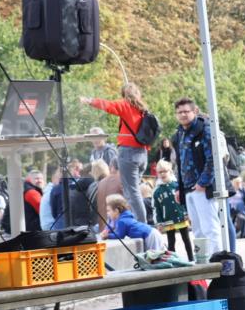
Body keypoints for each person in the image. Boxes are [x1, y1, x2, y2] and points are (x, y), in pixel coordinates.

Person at [81, 83, 150, 223]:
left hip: (129, 153)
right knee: (132, 191)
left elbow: (108, 105)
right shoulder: (143, 109)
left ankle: (141, 225)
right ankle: (134, 222)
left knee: (132, 193)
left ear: (124, 95)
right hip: (142, 154)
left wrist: (90, 101)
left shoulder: (126, 105)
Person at [172, 97, 225, 257]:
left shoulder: (205, 130)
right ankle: (203, 261)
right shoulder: (179, 134)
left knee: (210, 228)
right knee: (197, 230)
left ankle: (217, 262)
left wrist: (203, 183)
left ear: (195, 111)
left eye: (186, 111)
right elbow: (179, 163)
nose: (183, 115)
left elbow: (213, 159)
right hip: (188, 188)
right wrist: (179, 188)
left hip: (203, 188)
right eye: (179, 112)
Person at [153, 160, 194, 259]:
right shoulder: (157, 191)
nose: (162, 174)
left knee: (186, 239)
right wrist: (159, 222)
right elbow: (156, 208)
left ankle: (191, 258)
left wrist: (187, 213)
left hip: (181, 216)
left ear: (170, 171)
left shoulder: (177, 186)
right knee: (171, 241)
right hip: (168, 219)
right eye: (160, 172)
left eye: (165, 171)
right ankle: (173, 260)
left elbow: (185, 201)